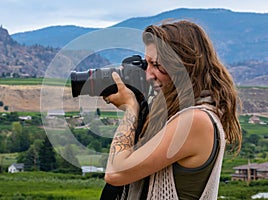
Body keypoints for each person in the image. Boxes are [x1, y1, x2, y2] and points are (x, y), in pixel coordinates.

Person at [101, 20, 242, 200]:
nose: (148, 74)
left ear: (184, 65)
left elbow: (116, 173)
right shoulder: (177, 113)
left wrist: (131, 109)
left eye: (157, 65)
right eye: (147, 64)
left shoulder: (194, 120)